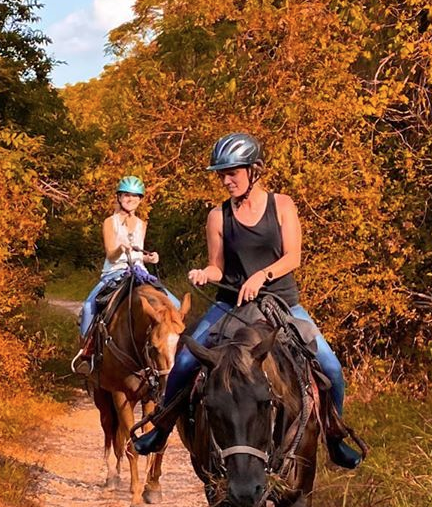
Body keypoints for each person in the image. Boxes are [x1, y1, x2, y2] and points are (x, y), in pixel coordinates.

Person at [132, 133, 361, 468]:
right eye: (221, 174)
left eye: (233, 173)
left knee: (331, 368)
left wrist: (261, 276)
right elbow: (217, 266)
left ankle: (335, 436)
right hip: (231, 305)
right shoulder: (217, 216)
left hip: (281, 302)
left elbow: (293, 256)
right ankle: (161, 429)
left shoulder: (282, 205)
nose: (226, 180)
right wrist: (203, 273)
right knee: (183, 363)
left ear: (254, 170)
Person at [71, 175, 177, 375]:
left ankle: (171, 354)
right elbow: (111, 254)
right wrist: (121, 248)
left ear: (140, 199)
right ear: (119, 197)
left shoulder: (141, 224)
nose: (131, 200)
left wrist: (150, 258)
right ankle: (87, 354)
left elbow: (138, 254)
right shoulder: (110, 222)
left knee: (175, 305)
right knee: (88, 308)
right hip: (115, 272)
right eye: (127, 195)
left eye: (136, 197)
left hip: (140, 273)